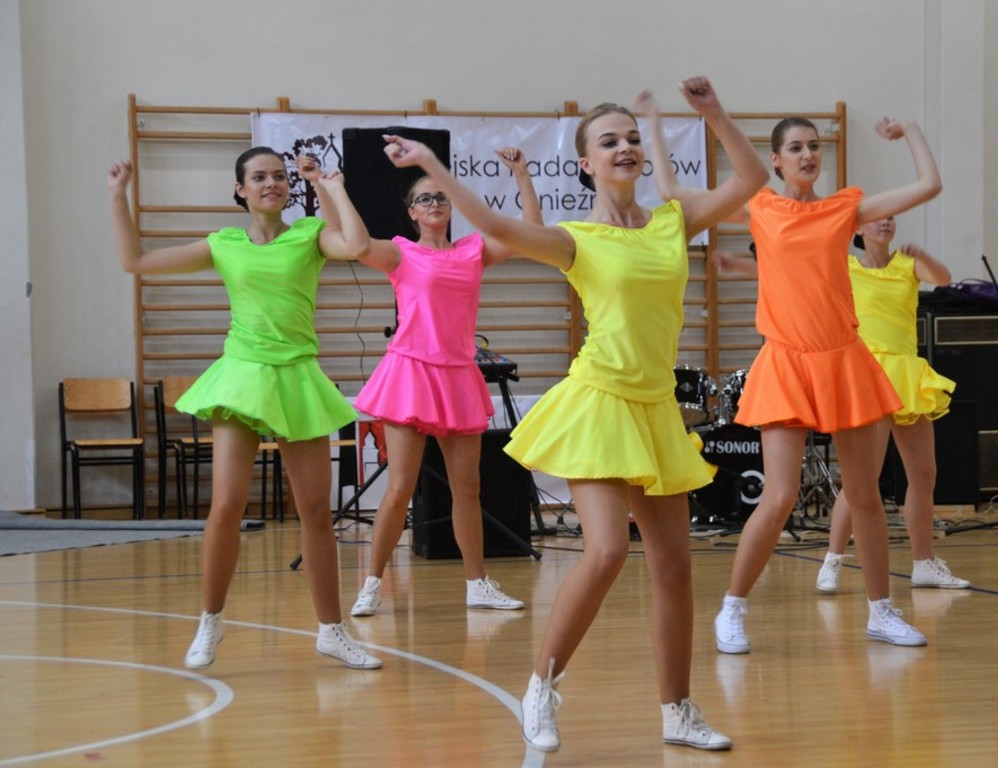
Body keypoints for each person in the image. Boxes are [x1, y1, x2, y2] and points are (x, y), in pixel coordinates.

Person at [380, 76, 768, 752]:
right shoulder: (575, 238)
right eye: (608, 141)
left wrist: (712, 113)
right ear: (585, 162)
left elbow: (753, 178)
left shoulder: (673, 222)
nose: (624, 147)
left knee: (675, 570)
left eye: (631, 138)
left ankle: (677, 710)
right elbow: (496, 227)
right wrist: (432, 165)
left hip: (656, 409)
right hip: (599, 402)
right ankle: (542, 683)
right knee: (608, 549)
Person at [108, 148, 382, 671]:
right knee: (227, 505)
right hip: (242, 377)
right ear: (241, 189)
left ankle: (331, 631)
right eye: (259, 177)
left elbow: (356, 244)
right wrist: (117, 196)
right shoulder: (223, 244)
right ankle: (210, 620)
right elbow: (135, 261)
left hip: (296, 377)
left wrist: (329, 186)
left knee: (315, 512)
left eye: (278, 176)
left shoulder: (309, 236)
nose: (271, 183)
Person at [698, 115, 943, 653]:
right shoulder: (760, 206)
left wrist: (911, 131)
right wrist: (706, 116)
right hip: (786, 362)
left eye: (813, 146)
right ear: (776, 160)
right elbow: (680, 196)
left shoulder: (843, 208)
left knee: (864, 494)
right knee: (779, 495)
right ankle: (732, 607)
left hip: (844, 361)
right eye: (795, 147)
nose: (807, 154)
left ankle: (882, 611)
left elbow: (929, 185)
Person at [338, 147, 541, 617]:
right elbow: (358, 244)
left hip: (458, 375)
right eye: (424, 199)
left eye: (441, 197)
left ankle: (477, 584)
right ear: (412, 212)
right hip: (411, 372)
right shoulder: (400, 251)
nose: (434, 204)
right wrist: (336, 191)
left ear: (451, 206)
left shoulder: (473, 251)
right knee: (400, 487)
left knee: (467, 488)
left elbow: (532, 232)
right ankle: (372, 584)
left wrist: (521, 174)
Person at [815, 218, 971, 593]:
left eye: (890, 216)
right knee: (862, 478)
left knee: (923, 473)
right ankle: (832, 559)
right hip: (867, 374)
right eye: (877, 217)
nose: (885, 221)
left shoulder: (907, 264)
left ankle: (924, 563)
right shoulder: (845, 267)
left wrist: (924, 255)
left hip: (906, 374)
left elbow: (944, 278)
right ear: (859, 229)